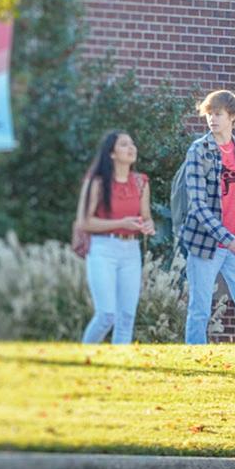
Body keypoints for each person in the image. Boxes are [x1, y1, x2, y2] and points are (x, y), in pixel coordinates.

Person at [176, 89, 235, 344]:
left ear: (232, 117)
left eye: (218, 114)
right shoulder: (198, 150)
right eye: (209, 114)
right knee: (200, 308)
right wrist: (226, 238)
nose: (212, 119)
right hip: (205, 244)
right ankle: (195, 356)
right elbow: (197, 204)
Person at [74, 130, 153, 343]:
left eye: (132, 143)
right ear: (111, 153)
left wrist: (147, 226)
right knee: (106, 315)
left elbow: (146, 217)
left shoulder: (141, 182)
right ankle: (85, 356)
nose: (131, 148)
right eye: (124, 144)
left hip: (131, 251)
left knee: (126, 318)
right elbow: (84, 222)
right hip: (102, 249)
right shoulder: (97, 183)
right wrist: (122, 223)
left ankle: (119, 362)